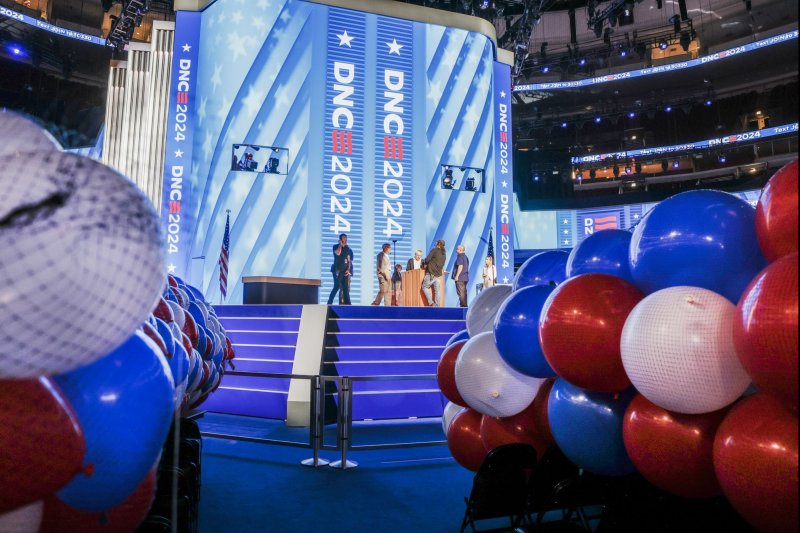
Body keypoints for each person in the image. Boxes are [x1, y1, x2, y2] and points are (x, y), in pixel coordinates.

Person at [327, 233, 353, 305]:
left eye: (346, 238)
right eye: (344, 238)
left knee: (345, 287)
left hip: (345, 271)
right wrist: (340, 245)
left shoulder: (347, 248)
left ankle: (348, 303)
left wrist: (348, 269)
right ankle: (329, 302)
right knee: (337, 286)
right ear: (340, 239)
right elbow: (338, 253)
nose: (346, 239)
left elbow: (348, 260)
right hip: (337, 270)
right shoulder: (335, 246)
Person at [422, 240, 446, 307]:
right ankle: (437, 305)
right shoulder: (444, 254)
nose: (435, 244)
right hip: (438, 274)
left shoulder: (435, 250)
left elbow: (427, 259)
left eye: (436, 243)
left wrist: (425, 263)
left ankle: (431, 303)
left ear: (438, 244)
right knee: (437, 290)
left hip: (431, 273)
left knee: (424, 287)